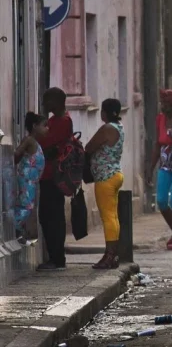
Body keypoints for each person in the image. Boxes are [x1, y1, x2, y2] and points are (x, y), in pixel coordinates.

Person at [84, 99, 126, 269]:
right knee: (113, 217)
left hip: (105, 177)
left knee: (108, 217)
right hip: (115, 174)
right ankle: (113, 255)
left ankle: (110, 255)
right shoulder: (119, 127)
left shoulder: (107, 128)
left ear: (105, 112)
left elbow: (89, 147)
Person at [37, 87, 74, 271]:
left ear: (57, 102)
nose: (45, 104)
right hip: (47, 174)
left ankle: (57, 258)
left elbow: (46, 142)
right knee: (47, 216)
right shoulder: (53, 120)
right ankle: (55, 256)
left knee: (52, 216)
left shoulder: (63, 121)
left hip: (54, 175)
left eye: (48, 100)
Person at [147, 89, 172, 252]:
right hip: (165, 165)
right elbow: (157, 144)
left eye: (166, 103)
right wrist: (150, 168)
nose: (163, 106)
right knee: (161, 200)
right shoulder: (160, 119)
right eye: (162, 102)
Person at [13, 112, 47, 245]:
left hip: (32, 181)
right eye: (44, 125)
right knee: (26, 206)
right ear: (34, 126)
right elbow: (17, 153)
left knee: (27, 206)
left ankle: (18, 232)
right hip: (26, 180)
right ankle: (14, 227)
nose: (46, 129)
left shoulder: (36, 143)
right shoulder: (29, 140)